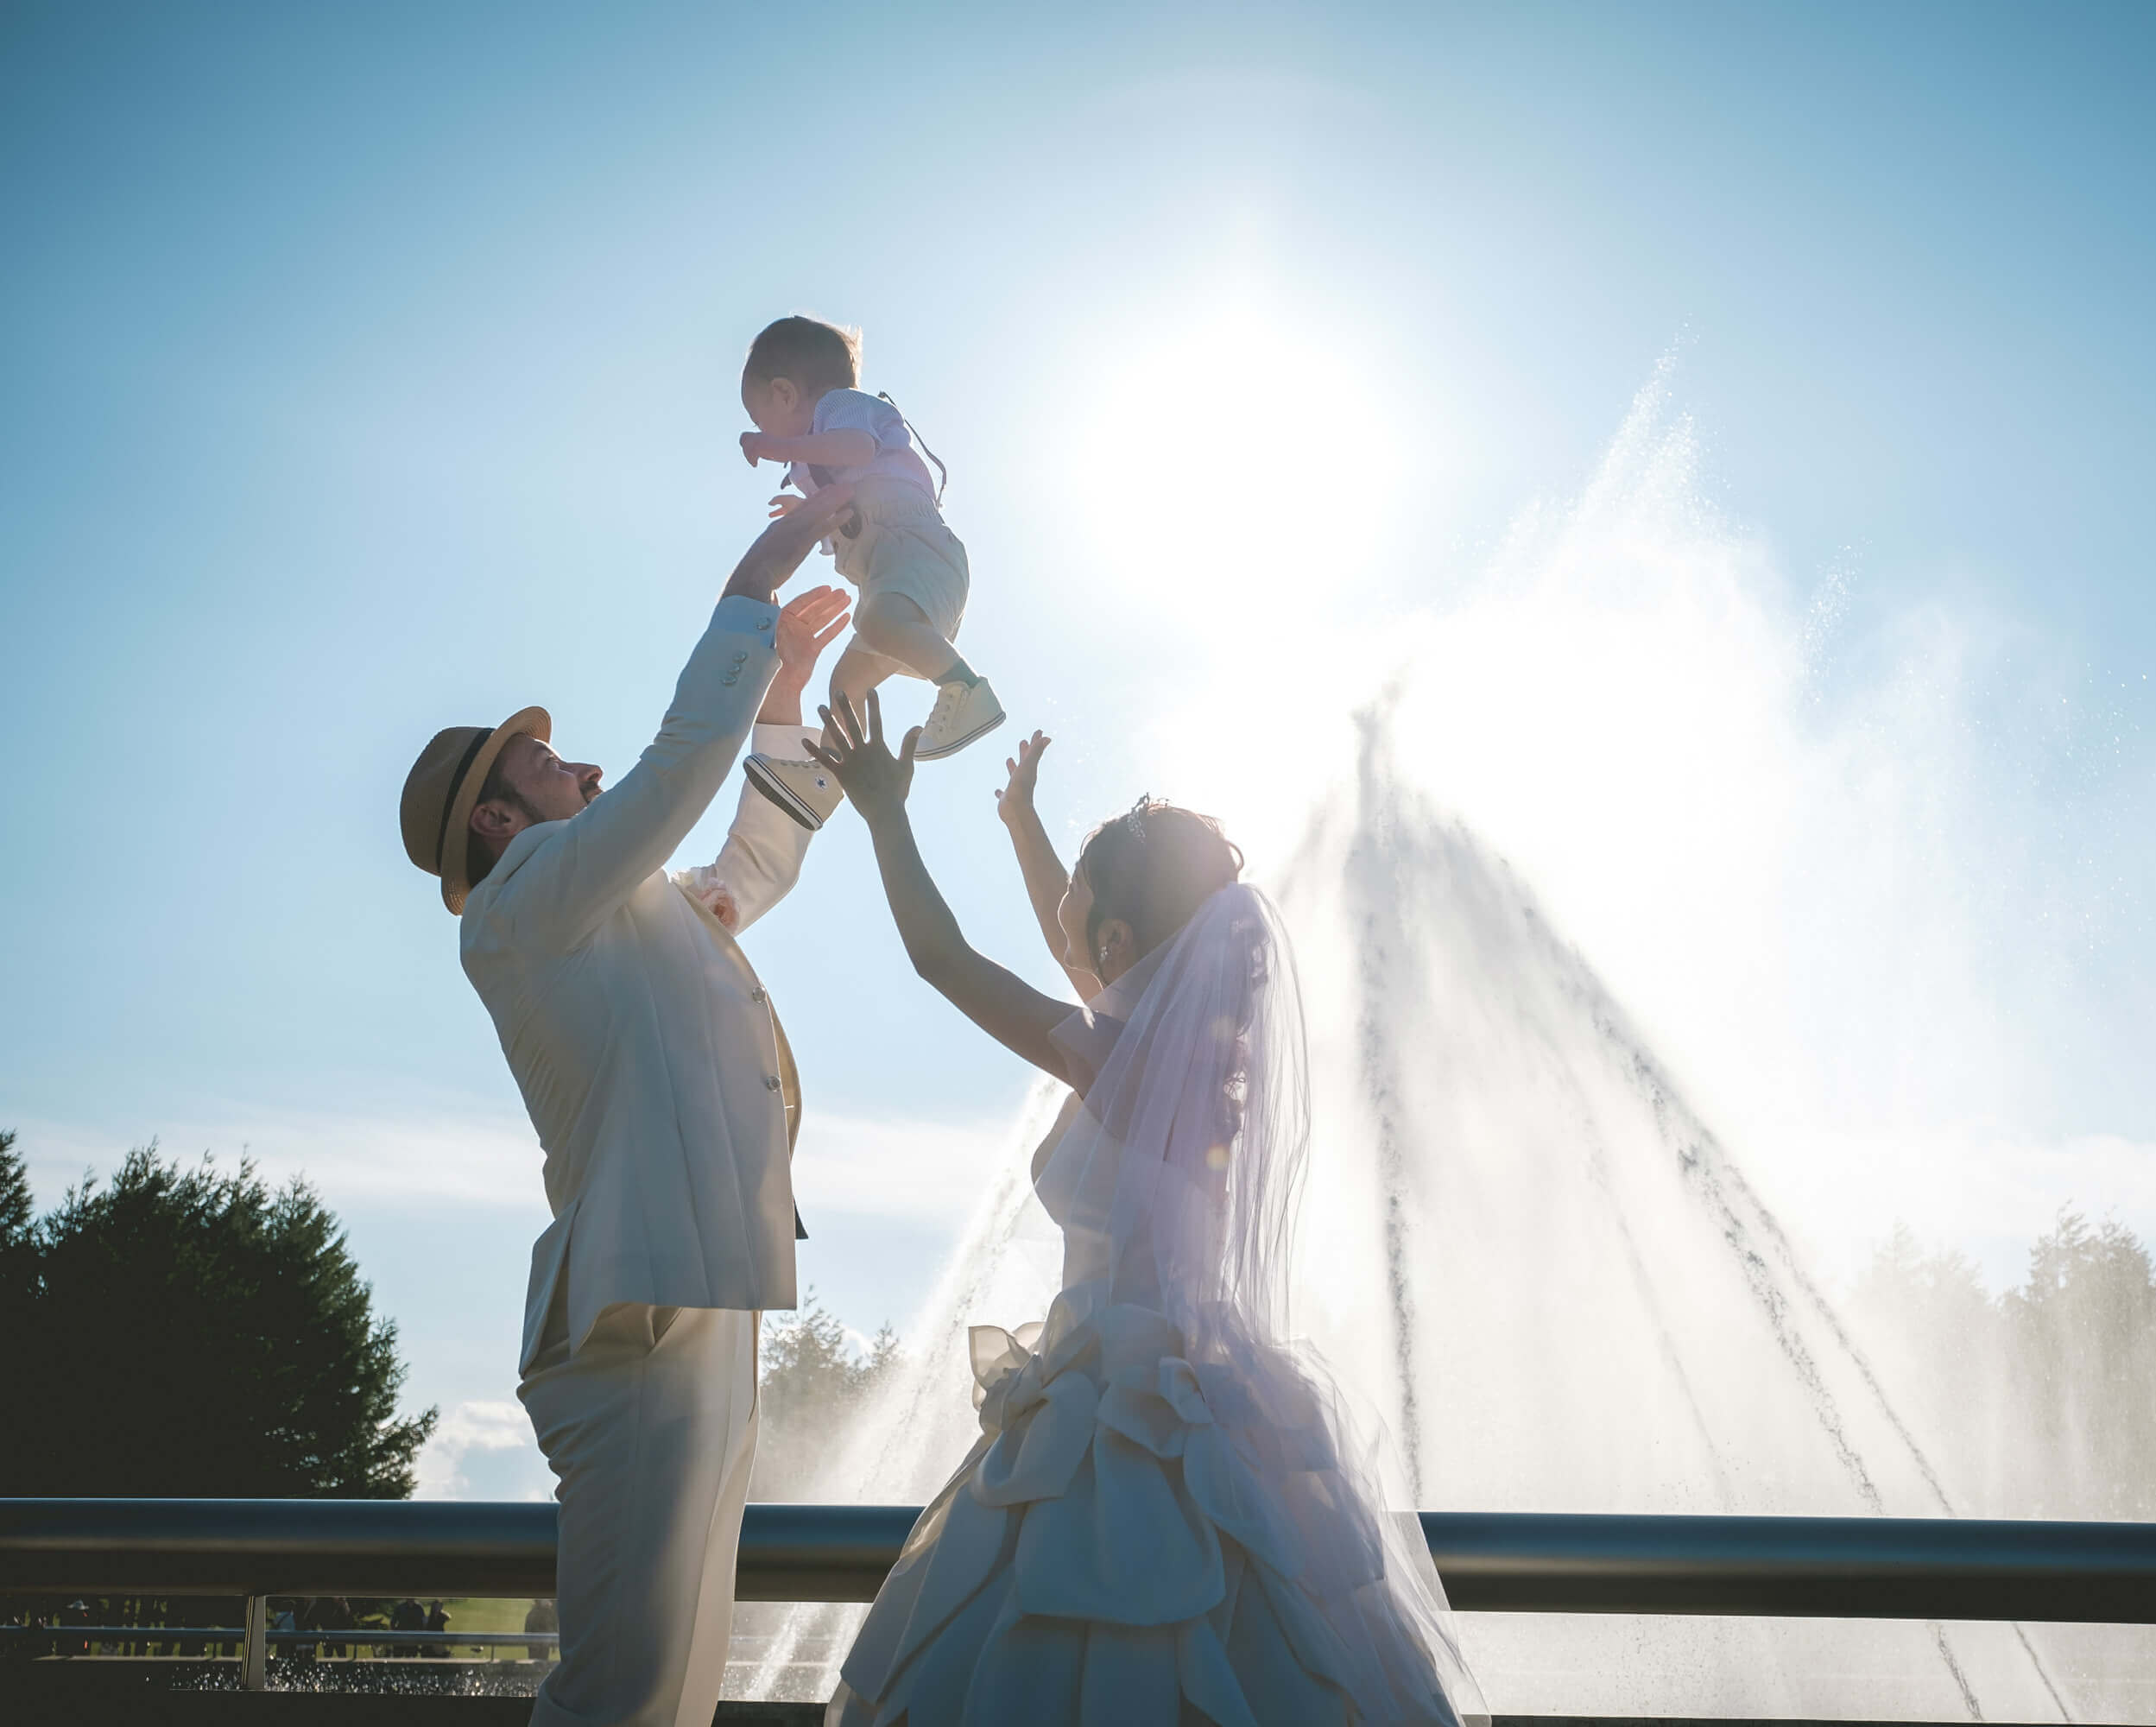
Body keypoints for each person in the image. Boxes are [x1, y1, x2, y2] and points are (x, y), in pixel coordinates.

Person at [806, 690, 1477, 1726]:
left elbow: (945, 960)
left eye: (1079, 892)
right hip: (1199, 1389)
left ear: (1121, 938)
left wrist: (885, 815)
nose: (1063, 910)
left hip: (1112, 1407)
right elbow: (1082, 953)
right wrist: (1024, 827)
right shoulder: (1180, 1064)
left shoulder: (1119, 1060)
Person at [396, 484, 859, 1727]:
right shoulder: (519, 903)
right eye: (548, 765)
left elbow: (750, 867)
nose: (582, 766)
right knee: (625, 1687)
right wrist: (758, 576)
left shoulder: (610, 908)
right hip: (636, 1322)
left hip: (690, 1296)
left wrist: (777, 697)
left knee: (677, 1682)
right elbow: (668, 775)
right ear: (496, 822)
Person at [737, 314, 1002, 831]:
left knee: (877, 620)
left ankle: (966, 689)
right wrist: (806, 512)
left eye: (761, 417)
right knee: (846, 681)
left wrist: (778, 447)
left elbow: (856, 450)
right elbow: (846, 504)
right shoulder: (819, 455)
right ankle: (826, 781)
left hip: (916, 551)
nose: (766, 436)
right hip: (893, 574)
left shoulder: (842, 407)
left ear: (786, 393)